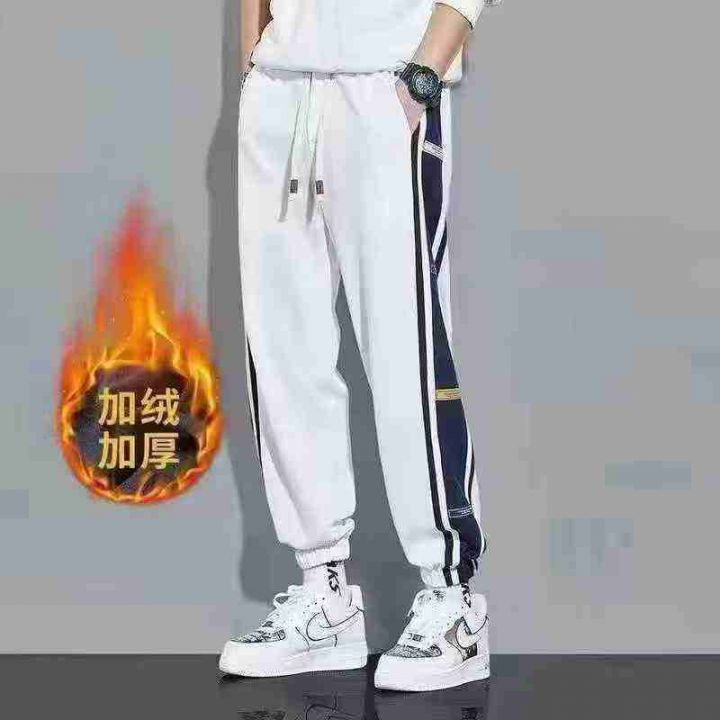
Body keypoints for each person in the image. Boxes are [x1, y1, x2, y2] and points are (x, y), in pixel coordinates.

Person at [220, 0, 496, 692]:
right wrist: (256, 58)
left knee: (405, 346)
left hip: (386, 83)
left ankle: (453, 602)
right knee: (282, 346)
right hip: (283, 86)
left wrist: (425, 72)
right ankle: (325, 597)